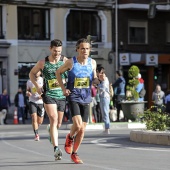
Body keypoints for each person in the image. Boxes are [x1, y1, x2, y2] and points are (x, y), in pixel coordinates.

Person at [56, 38, 99, 164]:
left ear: (89, 50)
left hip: (86, 97)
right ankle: (70, 137)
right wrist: (63, 89)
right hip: (73, 96)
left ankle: (74, 153)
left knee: (83, 129)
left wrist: (98, 80)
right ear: (77, 49)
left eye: (87, 48)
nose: (85, 51)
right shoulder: (71, 62)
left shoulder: (93, 63)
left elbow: (94, 79)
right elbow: (58, 72)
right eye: (82, 48)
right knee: (78, 125)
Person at [29, 39, 68, 160]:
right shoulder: (43, 63)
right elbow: (31, 74)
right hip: (49, 95)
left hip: (61, 95)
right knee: (53, 118)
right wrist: (37, 87)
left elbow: (71, 74)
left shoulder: (65, 61)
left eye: (59, 51)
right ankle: (56, 149)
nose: (57, 53)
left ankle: (51, 130)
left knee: (59, 123)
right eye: (55, 51)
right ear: (50, 48)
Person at [26, 71, 45, 141]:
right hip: (32, 101)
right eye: (35, 71)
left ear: (40, 73)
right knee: (34, 118)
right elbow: (27, 90)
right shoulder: (29, 81)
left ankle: (36, 126)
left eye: (38, 71)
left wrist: (42, 96)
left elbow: (46, 90)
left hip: (40, 102)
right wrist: (28, 93)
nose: (36, 72)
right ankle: (36, 134)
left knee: (40, 121)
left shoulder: (43, 80)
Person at [97, 66, 111, 134]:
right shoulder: (103, 78)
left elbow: (103, 88)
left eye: (97, 72)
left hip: (105, 97)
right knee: (104, 112)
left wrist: (97, 86)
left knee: (105, 112)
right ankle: (106, 128)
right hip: (103, 97)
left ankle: (107, 128)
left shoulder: (104, 77)